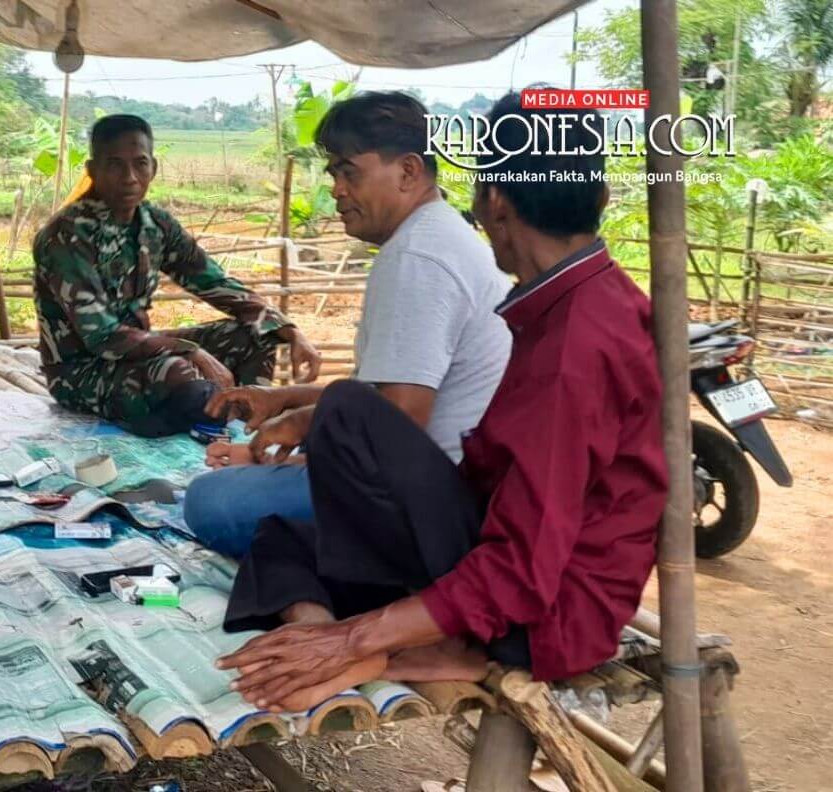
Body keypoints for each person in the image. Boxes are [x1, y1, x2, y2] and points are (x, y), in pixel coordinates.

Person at [216, 91, 668, 712]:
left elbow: (522, 569)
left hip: (547, 614)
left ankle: (390, 644)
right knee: (281, 539)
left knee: (345, 413)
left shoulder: (573, 347)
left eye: (347, 172)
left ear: (494, 201)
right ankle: (324, 635)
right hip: (507, 547)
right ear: (601, 197)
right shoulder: (583, 299)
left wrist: (354, 638)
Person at [183, 92, 511, 557]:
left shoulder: (417, 257)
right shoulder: (439, 235)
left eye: (350, 172)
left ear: (408, 171)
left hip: (426, 505)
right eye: (334, 174)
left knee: (213, 502)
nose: (337, 189)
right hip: (439, 482)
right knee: (245, 485)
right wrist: (284, 399)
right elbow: (380, 396)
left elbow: (398, 418)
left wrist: (302, 427)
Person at [32, 114, 321, 438]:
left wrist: (289, 330)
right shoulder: (66, 235)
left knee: (257, 334)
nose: (129, 177)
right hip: (82, 371)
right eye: (114, 165)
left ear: (153, 168)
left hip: (140, 354)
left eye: (140, 164)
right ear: (92, 170)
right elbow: (102, 336)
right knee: (177, 371)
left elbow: (214, 282)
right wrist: (189, 350)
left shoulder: (154, 224)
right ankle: (201, 416)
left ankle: (242, 419)